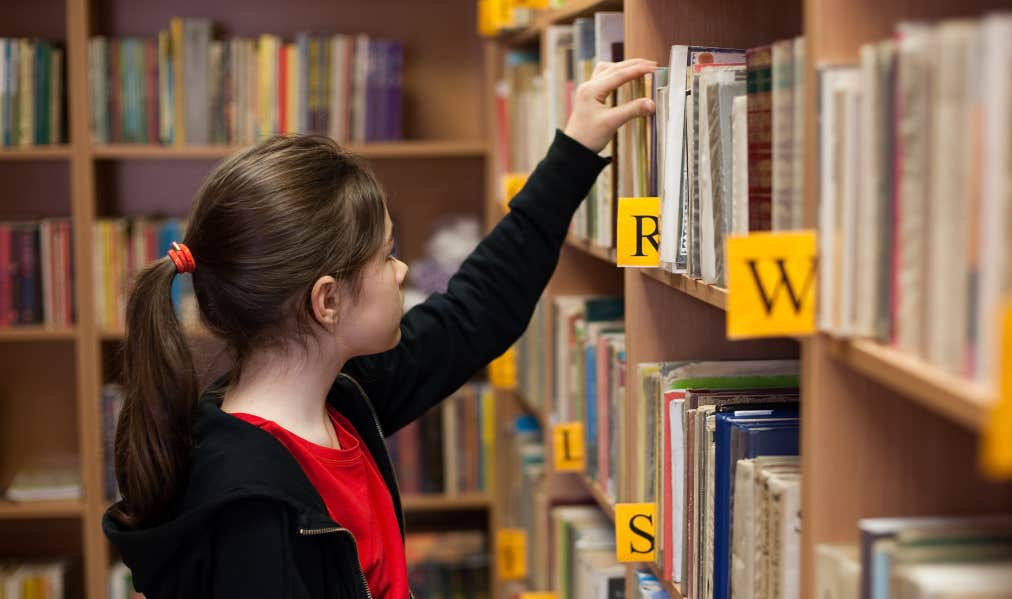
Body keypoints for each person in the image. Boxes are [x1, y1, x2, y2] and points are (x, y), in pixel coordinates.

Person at [103, 58, 658, 599]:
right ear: (327, 301)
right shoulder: (251, 514)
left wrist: (574, 150)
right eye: (386, 256)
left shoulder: (342, 397)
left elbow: (475, 312)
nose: (403, 271)